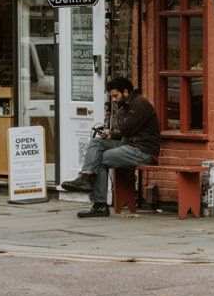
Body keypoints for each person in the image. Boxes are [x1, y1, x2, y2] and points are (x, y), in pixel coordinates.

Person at [61, 77, 160, 216]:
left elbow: (126, 129)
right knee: (96, 143)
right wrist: (111, 134)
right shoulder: (126, 105)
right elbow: (124, 131)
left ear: (125, 92)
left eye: (115, 95)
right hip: (129, 145)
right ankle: (86, 177)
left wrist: (118, 115)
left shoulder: (139, 104)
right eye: (111, 96)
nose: (113, 99)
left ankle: (99, 204)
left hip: (143, 151)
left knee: (100, 158)